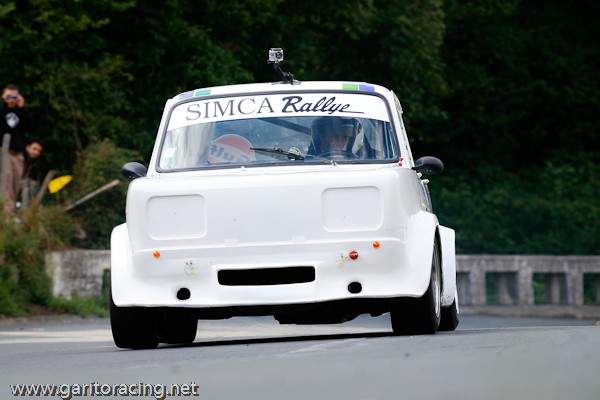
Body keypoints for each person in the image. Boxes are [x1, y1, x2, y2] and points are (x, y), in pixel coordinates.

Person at [0, 84, 33, 215]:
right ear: (3, 96)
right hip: (4, 151)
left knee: (15, 183)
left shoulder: (20, 112)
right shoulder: (2, 109)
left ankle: (12, 210)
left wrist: (22, 107)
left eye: (14, 96)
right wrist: (5, 104)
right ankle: (8, 212)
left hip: (18, 152)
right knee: (6, 180)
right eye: (8, 96)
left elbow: (30, 124)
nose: (11, 99)